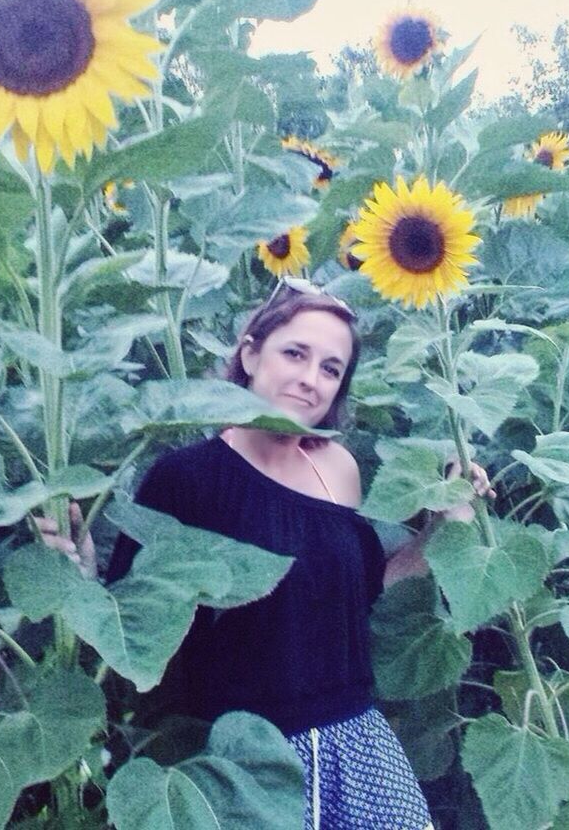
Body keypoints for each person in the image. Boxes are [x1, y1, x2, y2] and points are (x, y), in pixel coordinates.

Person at [38, 278, 493, 830]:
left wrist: (443, 524)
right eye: (295, 353)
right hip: (246, 763)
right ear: (250, 354)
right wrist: (82, 575)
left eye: (331, 368)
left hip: (361, 747)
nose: (310, 379)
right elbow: (135, 628)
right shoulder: (189, 478)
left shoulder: (340, 471)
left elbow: (370, 597)